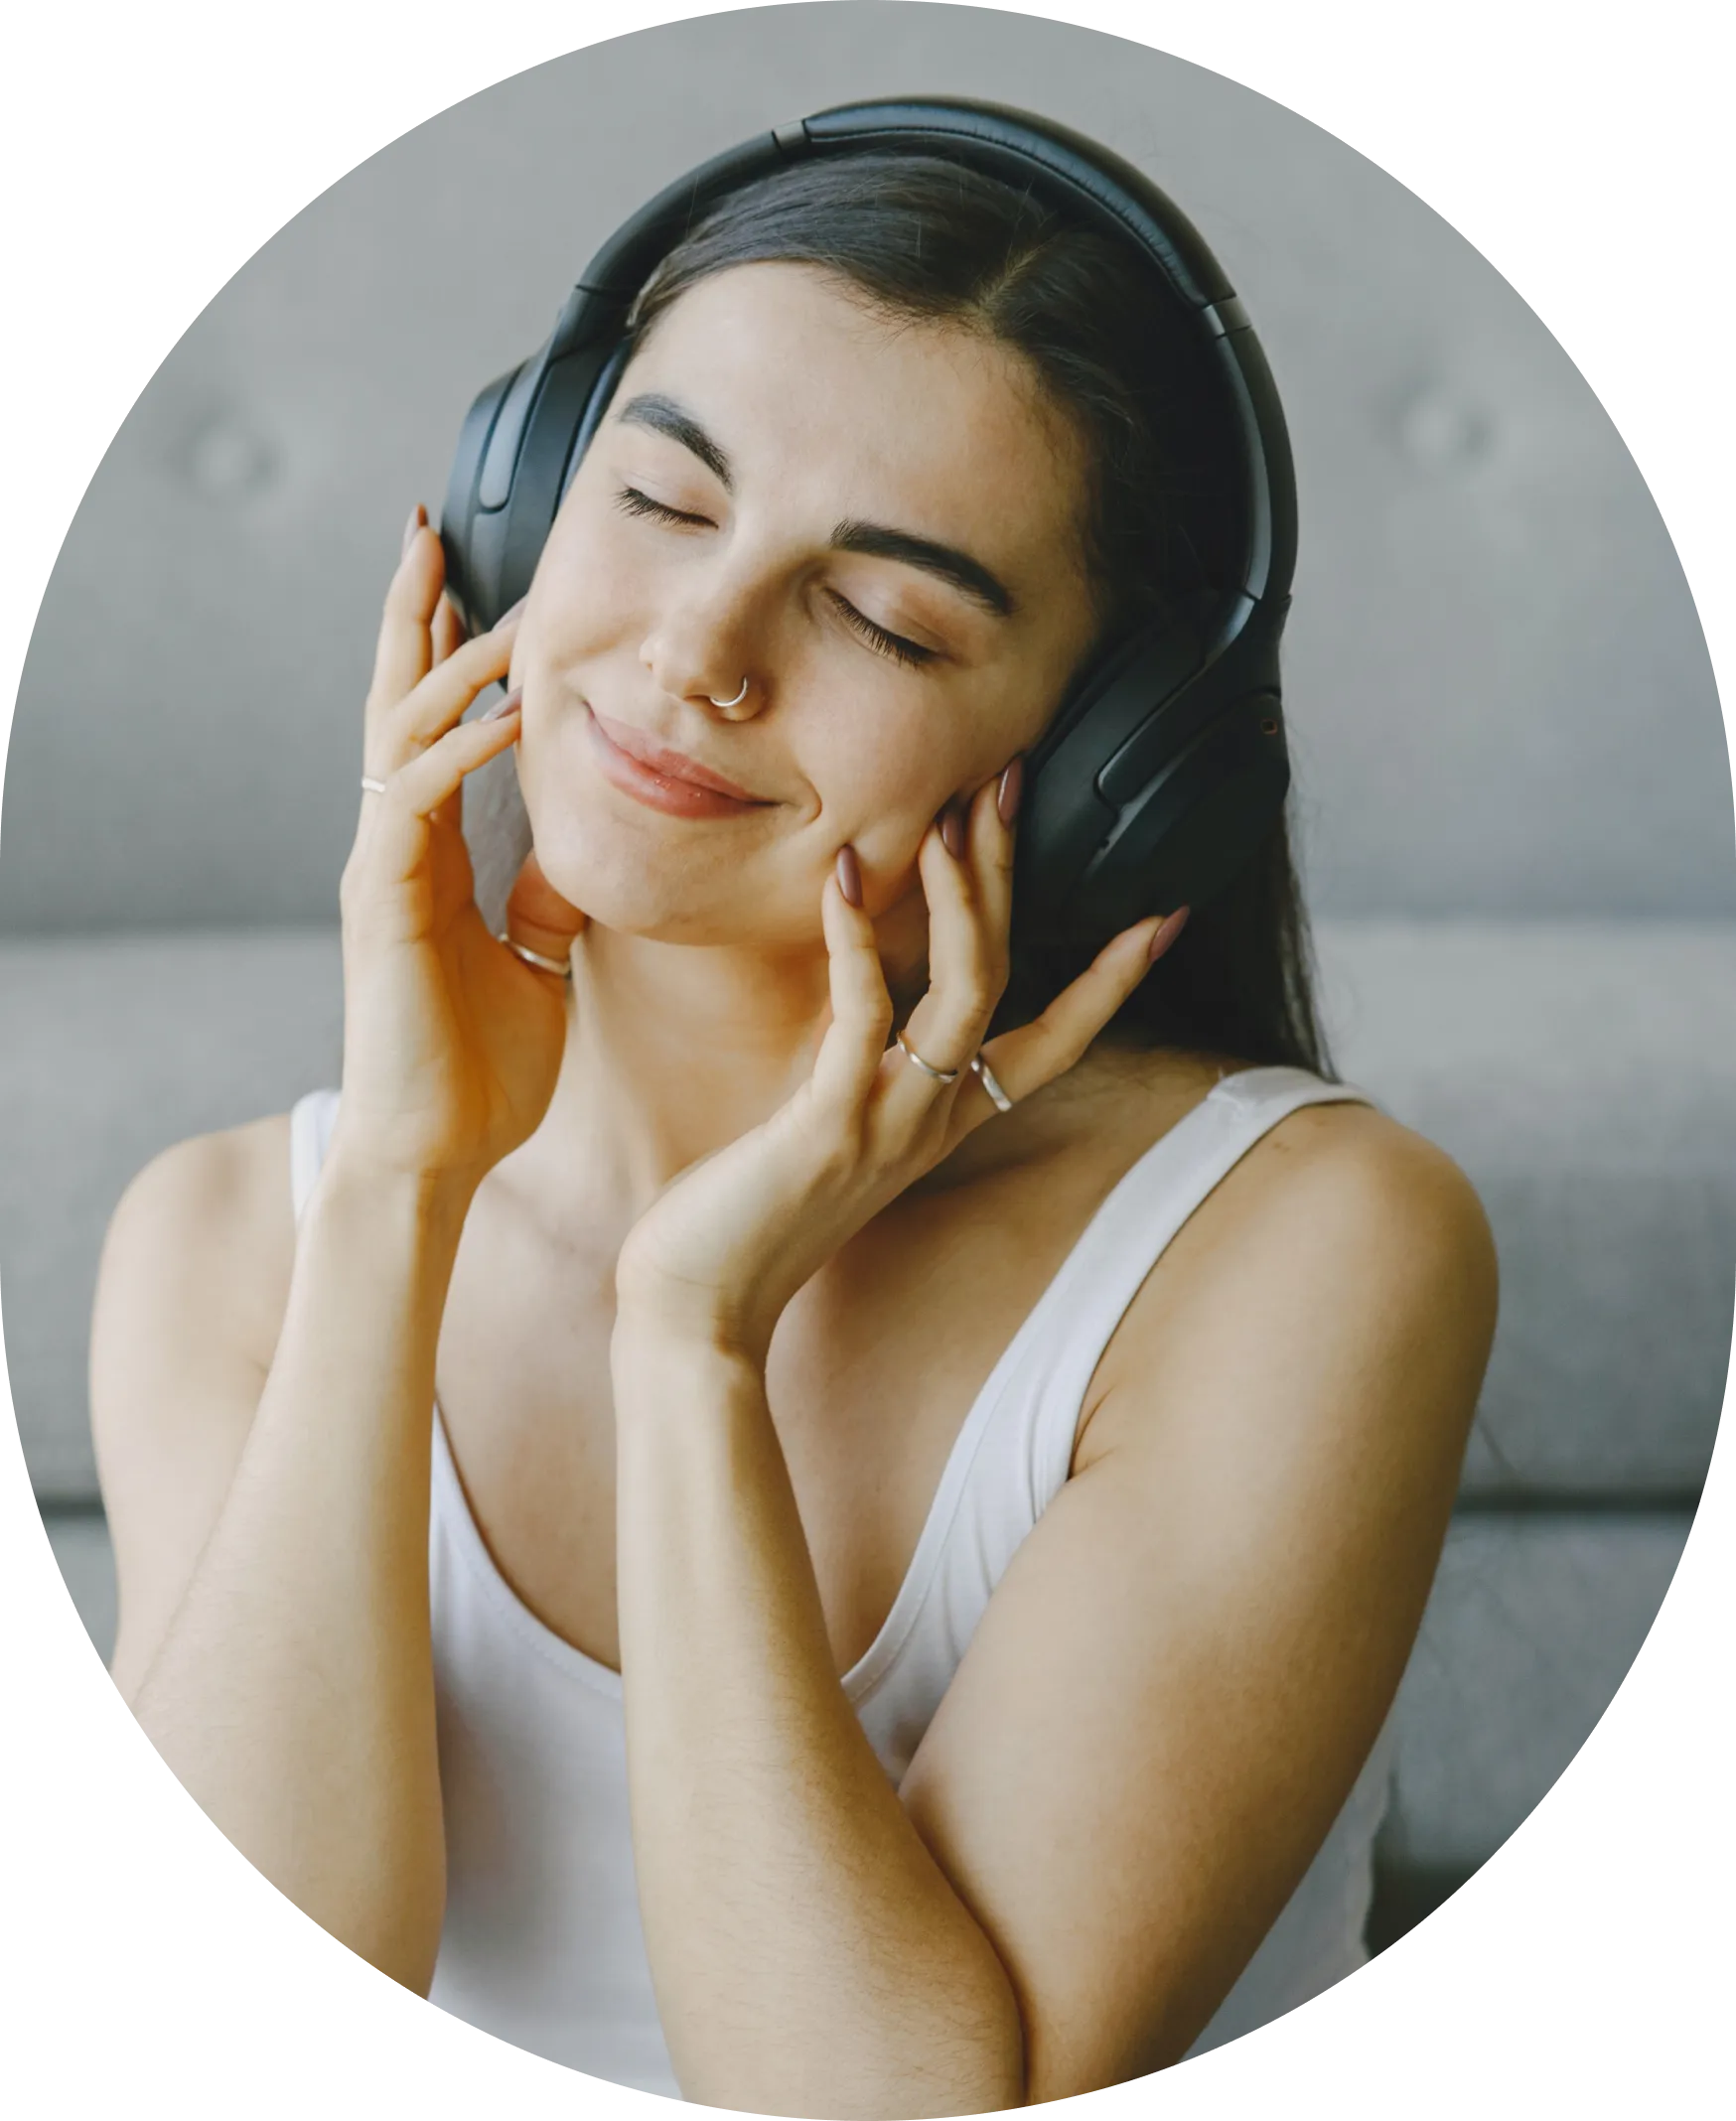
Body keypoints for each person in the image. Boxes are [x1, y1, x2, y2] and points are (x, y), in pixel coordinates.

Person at [88, 143, 1499, 2115]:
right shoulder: (229, 1235)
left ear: (1101, 776)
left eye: (889, 621)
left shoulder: (1304, 1245)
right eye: (659, 500)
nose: (696, 650)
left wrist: (692, 1337)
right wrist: (402, 1194)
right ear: (524, 503)